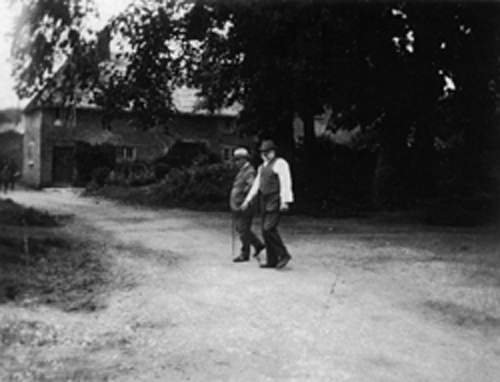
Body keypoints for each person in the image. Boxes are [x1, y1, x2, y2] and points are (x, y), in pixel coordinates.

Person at [242, 140, 293, 269]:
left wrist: (285, 201)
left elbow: (285, 182)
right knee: (265, 232)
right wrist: (247, 200)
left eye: (268, 152)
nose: (265, 155)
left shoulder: (280, 164)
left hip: (275, 199)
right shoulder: (262, 167)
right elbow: (256, 185)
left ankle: (284, 254)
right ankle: (272, 260)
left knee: (268, 228)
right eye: (263, 152)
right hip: (264, 201)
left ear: (274, 152)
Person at [229, 147, 265, 263]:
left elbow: (251, 185)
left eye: (238, 160)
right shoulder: (243, 170)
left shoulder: (249, 171)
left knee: (243, 229)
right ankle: (258, 244)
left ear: (244, 159)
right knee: (241, 228)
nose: (236, 162)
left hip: (245, 205)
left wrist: (244, 195)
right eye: (235, 160)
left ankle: (245, 253)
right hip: (239, 205)